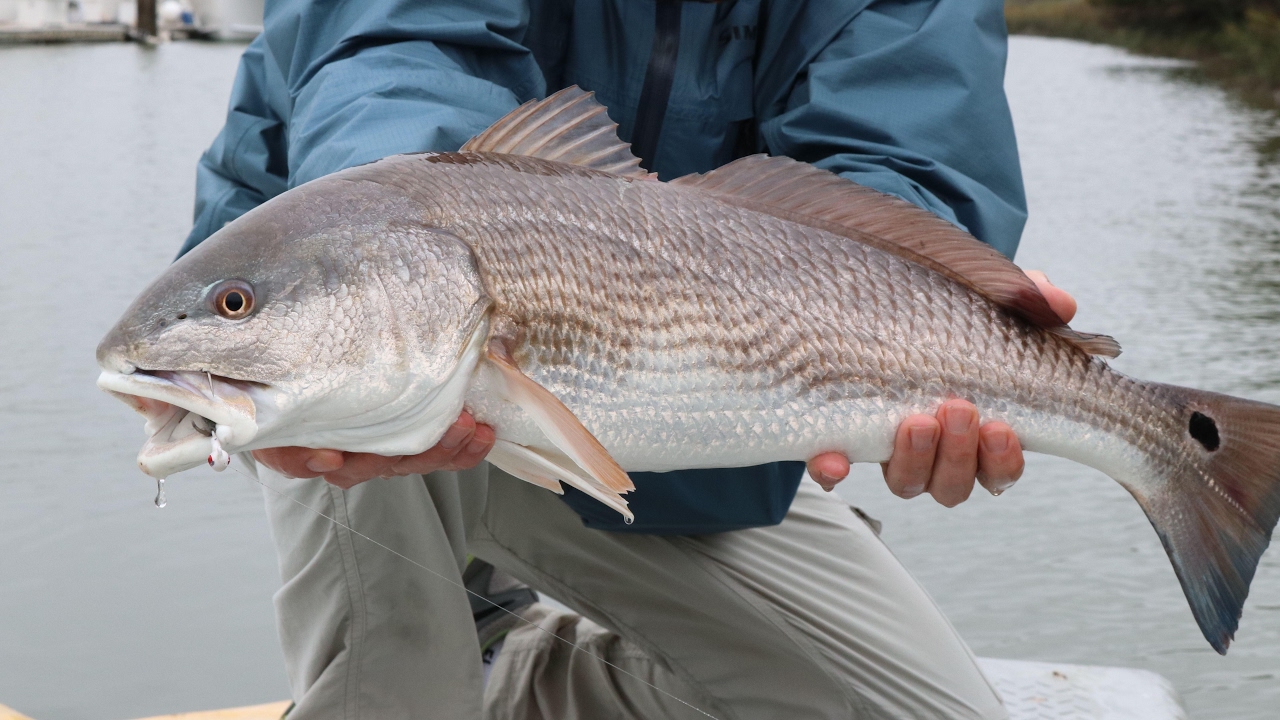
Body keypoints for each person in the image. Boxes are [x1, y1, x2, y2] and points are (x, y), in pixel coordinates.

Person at [182, 1, 1077, 717]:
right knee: (383, 441)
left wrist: (930, 307)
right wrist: (401, 271)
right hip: (346, 322)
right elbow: (396, 48)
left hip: (685, 405)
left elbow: (905, 161)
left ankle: (507, 673)